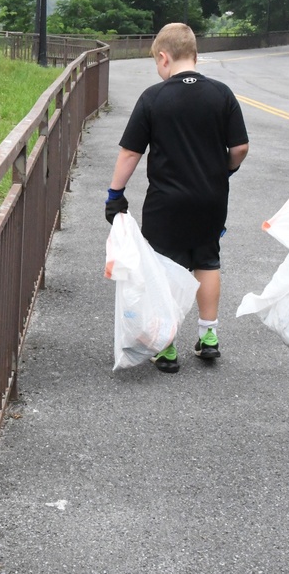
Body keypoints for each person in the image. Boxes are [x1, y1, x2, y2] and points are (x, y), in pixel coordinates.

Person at [104, 23, 249, 373]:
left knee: (165, 267)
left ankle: (166, 346)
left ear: (163, 57)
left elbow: (130, 154)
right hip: (211, 199)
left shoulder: (154, 97)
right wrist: (223, 171)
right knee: (207, 260)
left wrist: (115, 194)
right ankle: (208, 336)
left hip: (166, 202)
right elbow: (240, 147)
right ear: (196, 56)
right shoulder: (222, 94)